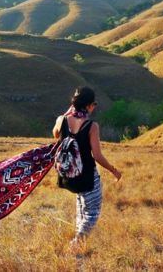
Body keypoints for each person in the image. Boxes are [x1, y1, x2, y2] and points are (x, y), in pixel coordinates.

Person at [52, 86, 122, 247]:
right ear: (89, 105)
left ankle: (79, 240)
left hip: (68, 176)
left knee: (82, 207)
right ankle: (76, 243)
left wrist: (66, 114)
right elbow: (97, 156)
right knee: (92, 212)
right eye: (94, 104)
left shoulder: (61, 120)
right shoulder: (91, 126)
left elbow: (56, 135)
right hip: (87, 176)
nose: (94, 107)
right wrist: (114, 170)